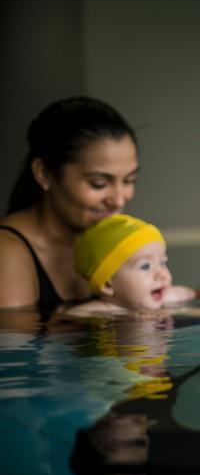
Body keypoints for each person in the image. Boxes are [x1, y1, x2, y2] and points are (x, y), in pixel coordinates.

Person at [0, 97, 139, 315]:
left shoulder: (104, 241)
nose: (119, 200)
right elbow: (14, 347)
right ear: (44, 173)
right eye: (98, 183)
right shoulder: (7, 254)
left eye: (129, 181)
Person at [66, 214, 194, 317]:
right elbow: (71, 316)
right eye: (145, 266)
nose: (161, 274)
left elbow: (191, 294)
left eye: (162, 263)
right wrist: (128, 317)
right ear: (107, 284)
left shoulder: (165, 297)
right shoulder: (100, 311)